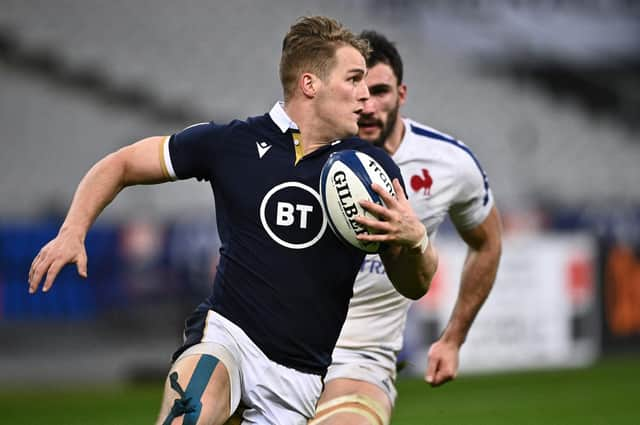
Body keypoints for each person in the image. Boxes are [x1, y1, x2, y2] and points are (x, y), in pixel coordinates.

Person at [27, 17, 438, 425]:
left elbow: (414, 283)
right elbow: (122, 163)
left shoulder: (372, 170)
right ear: (310, 85)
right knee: (190, 411)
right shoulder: (232, 143)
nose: (365, 96)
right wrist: (72, 231)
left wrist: (415, 239)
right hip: (227, 338)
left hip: (298, 379)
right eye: (353, 79)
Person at [310, 31, 503, 425]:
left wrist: (453, 339)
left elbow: (488, 243)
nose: (367, 105)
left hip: (362, 358)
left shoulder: (449, 163)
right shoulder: (303, 155)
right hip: (279, 344)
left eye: (380, 91)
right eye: (357, 90)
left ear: (401, 93)